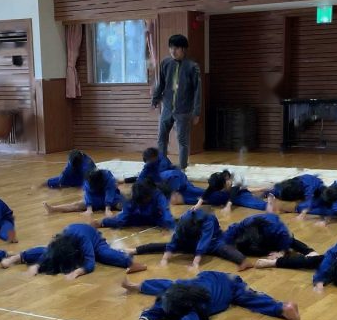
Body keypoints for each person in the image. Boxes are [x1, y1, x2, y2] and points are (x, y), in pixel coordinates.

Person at [122, 270, 300, 320]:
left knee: (250, 297)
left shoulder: (201, 304)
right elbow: (159, 306)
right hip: (204, 277)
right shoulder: (178, 289)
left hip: (230, 283)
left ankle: (281, 309)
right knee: (166, 285)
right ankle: (137, 286)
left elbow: (194, 318)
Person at [0, 223, 148, 279]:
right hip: (71, 244)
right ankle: (17, 257)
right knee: (47, 252)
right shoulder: (60, 240)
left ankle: (131, 262)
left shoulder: (83, 239)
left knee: (104, 254)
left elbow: (90, 262)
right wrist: (37, 266)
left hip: (95, 241)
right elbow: (49, 252)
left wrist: (77, 272)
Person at [123, 207, 250, 270]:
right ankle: (136, 250)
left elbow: (204, 241)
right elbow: (174, 240)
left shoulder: (208, 219)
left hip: (213, 241)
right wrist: (165, 259)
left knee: (224, 249)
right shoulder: (184, 221)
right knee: (164, 246)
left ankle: (243, 261)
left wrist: (195, 263)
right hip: (190, 241)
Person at [151, 34, 202, 170]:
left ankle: (183, 167)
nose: (173, 51)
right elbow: (161, 83)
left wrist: (196, 112)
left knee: (182, 140)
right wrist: (155, 98)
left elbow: (197, 90)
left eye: (176, 48)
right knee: (161, 137)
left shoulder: (192, 67)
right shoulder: (165, 63)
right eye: (171, 48)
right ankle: (162, 164)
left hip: (184, 110)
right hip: (167, 108)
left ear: (183, 49)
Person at [97, 180, 174, 230]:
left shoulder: (157, 195)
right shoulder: (132, 199)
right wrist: (104, 222)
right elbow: (122, 219)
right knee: (121, 221)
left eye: (146, 199)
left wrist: (173, 228)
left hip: (155, 217)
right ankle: (103, 221)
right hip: (138, 217)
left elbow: (166, 212)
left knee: (166, 221)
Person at [222, 213, 306, 258]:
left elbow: (286, 235)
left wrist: (282, 252)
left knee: (291, 242)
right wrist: (227, 243)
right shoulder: (245, 224)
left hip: (277, 236)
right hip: (259, 238)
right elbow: (232, 229)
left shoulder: (274, 228)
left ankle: (309, 251)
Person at [44, 168, 123, 216]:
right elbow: (88, 194)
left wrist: (108, 209)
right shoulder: (87, 180)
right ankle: (53, 209)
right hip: (94, 197)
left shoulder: (108, 176)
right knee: (77, 205)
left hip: (112, 197)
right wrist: (89, 209)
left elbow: (110, 192)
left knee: (122, 204)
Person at [193, 170, 268, 211]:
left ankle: (265, 196)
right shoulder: (218, 178)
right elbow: (209, 189)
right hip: (228, 191)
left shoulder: (236, 180)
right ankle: (261, 189)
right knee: (206, 196)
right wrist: (198, 204)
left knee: (244, 198)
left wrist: (228, 205)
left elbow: (234, 193)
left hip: (239, 191)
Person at [257, 174, 325, 213]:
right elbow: (273, 191)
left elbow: (309, 203)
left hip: (312, 187)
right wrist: (270, 202)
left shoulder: (310, 190)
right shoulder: (284, 187)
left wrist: (302, 214)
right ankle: (263, 191)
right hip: (297, 184)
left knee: (302, 206)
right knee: (277, 191)